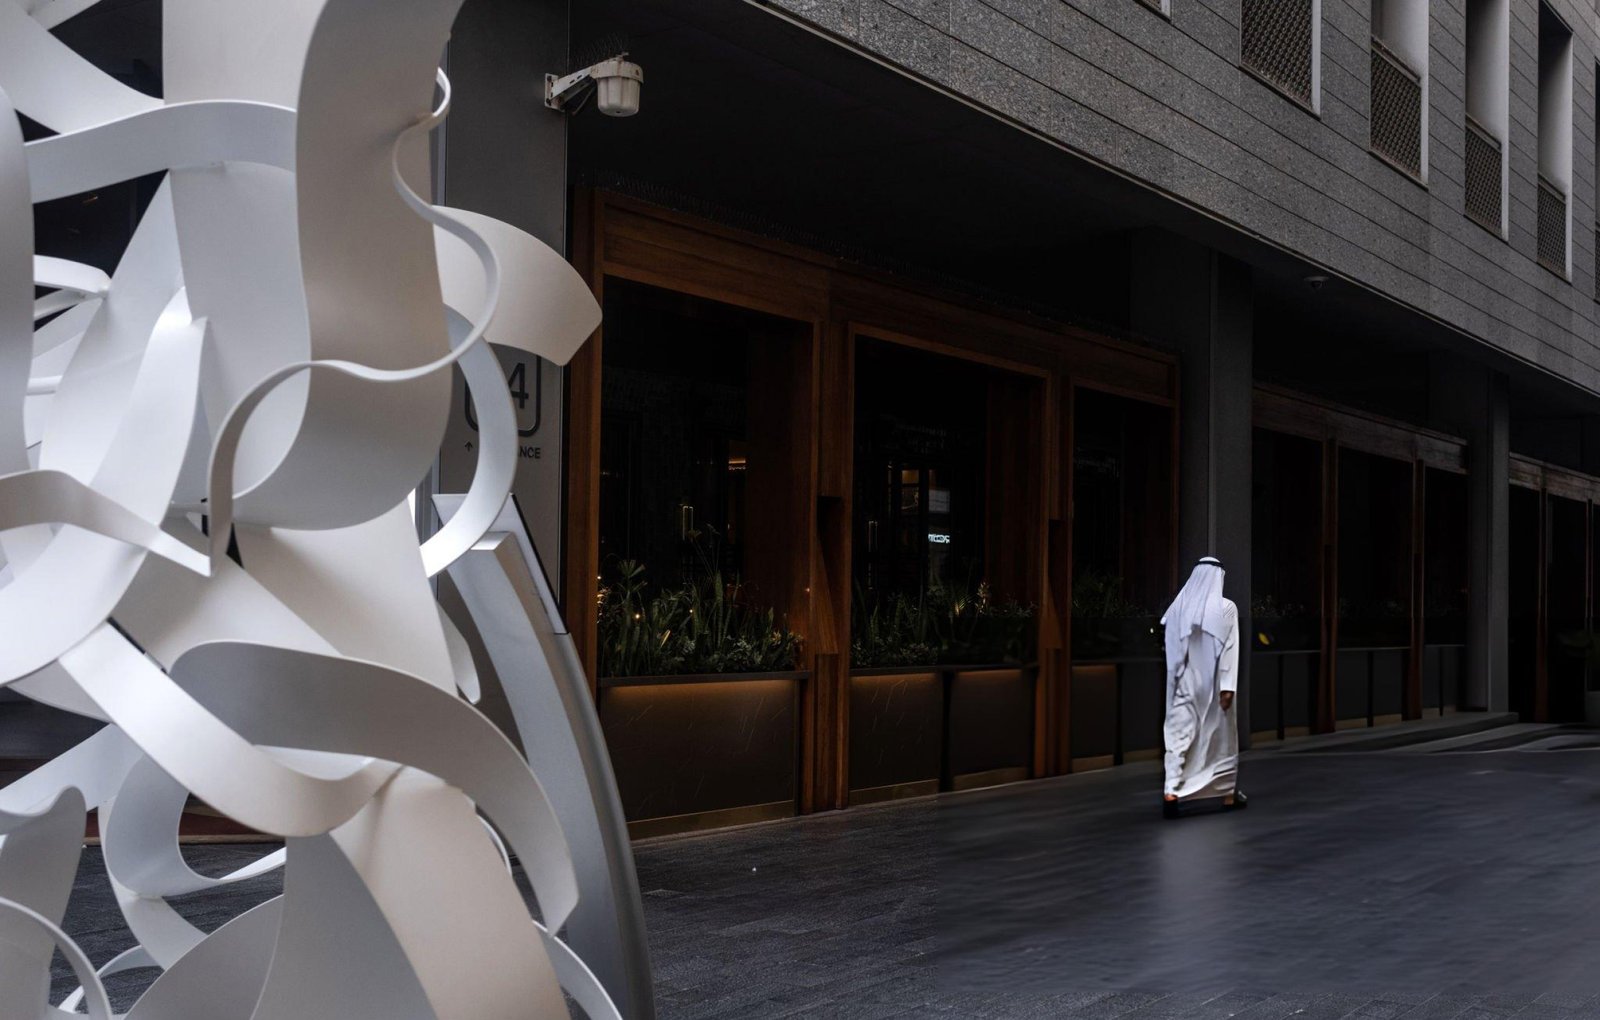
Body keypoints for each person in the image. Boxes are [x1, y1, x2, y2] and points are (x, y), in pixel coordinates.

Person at [1159, 556, 1245, 818]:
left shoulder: (1177, 608)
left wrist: (1174, 683)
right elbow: (1230, 647)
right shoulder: (1226, 607)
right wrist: (1228, 686)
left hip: (1184, 683)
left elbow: (1171, 651)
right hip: (1216, 685)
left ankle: (1172, 791)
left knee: (1178, 737)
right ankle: (1227, 793)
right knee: (1220, 739)